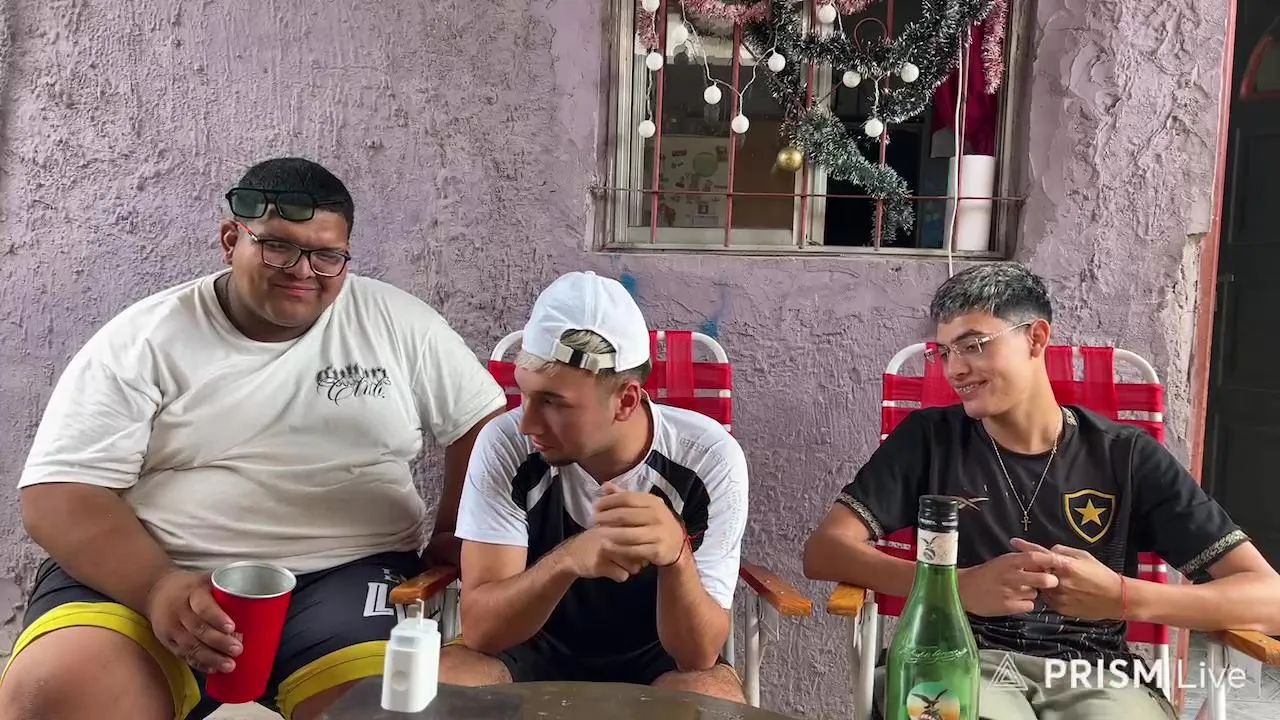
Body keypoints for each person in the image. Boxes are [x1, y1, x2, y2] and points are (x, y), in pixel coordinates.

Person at [0, 157, 508, 720]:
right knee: (54, 698)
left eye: (327, 255)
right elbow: (58, 494)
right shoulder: (143, 338)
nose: (302, 271)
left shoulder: (397, 322)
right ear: (230, 240)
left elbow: (484, 422)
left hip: (348, 571)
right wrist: (156, 586)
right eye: (277, 247)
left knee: (396, 709)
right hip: (159, 566)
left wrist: (457, 533)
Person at [802, 262, 1280, 720]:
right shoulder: (929, 440)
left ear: (1035, 338)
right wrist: (957, 586)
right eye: (944, 352)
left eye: (973, 345)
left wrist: (1123, 598)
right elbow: (825, 551)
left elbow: (1269, 598)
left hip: (1094, 675)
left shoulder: (1125, 456)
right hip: (958, 658)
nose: (955, 369)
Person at [437, 270, 749, 702]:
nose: (526, 423)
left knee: (709, 697)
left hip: (656, 657)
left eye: (553, 403)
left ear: (626, 401)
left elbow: (696, 655)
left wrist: (677, 557)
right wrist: (567, 561)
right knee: (441, 685)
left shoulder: (707, 458)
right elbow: (482, 632)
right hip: (527, 646)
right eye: (525, 394)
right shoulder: (506, 443)